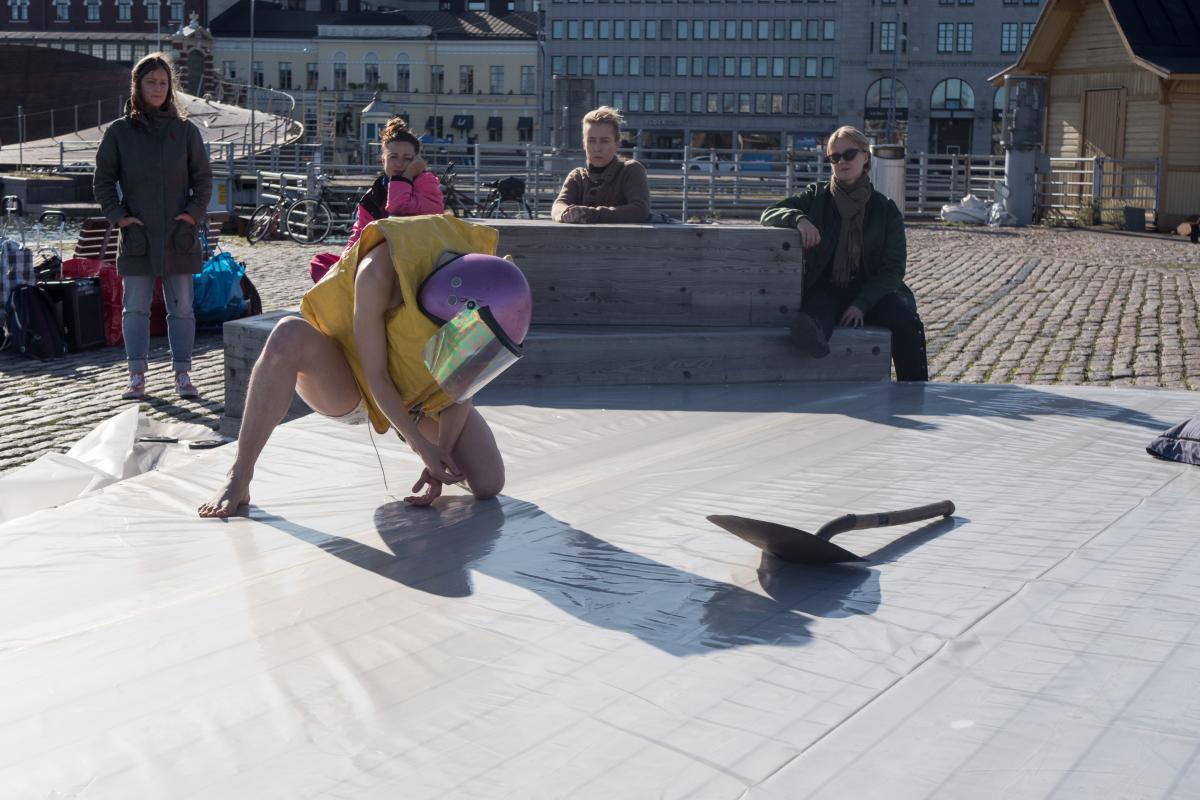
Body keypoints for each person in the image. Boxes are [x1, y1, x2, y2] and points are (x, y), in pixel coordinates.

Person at [199, 214, 532, 518]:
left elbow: (462, 388)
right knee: (287, 334)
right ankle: (239, 475)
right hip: (352, 382)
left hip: (420, 397)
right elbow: (375, 377)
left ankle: (411, 425)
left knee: (489, 483)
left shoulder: (483, 286)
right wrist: (420, 443)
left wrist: (439, 454)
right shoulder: (376, 273)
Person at [760, 125, 928, 381]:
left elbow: (893, 268)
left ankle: (915, 389)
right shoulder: (816, 197)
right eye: (834, 157)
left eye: (849, 154)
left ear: (865, 157)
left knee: (905, 322)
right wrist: (799, 219)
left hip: (870, 289)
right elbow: (769, 213)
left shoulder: (885, 209)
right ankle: (820, 376)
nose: (842, 162)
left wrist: (861, 304)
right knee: (814, 318)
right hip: (826, 286)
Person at [95, 52, 213, 399]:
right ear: (138, 86)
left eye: (163, 83)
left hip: (179, 235)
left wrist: (192, 215)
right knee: (135, 307)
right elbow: (102, 180)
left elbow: (203, 180)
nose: (158, 88)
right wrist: (119, 217)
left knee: (182, 308)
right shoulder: (119, 133)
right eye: (151, 82)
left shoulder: (185, 132)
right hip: (138, 236)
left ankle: (183, 375)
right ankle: (136, 376)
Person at [310, 117, 444, 282]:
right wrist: (346, 262)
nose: (399, 164)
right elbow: (359, 233)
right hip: (375, 261)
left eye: (407, 158)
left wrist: (406, 177)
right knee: (320, 263)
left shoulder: (426, 184)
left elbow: (397, 207)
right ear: (383, 160)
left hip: (415, 262)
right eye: (393, 157)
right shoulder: (374, 194)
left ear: (417, 161)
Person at [551, 106, 650, 224]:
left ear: (617, 143)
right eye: (591, 141)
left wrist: (591, 214)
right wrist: (566, 213)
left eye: (605, 141)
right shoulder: (577, 176)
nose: (597, 148)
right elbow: (558, 205)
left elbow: (639, 210)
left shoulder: (631, 170)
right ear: (584, 144)